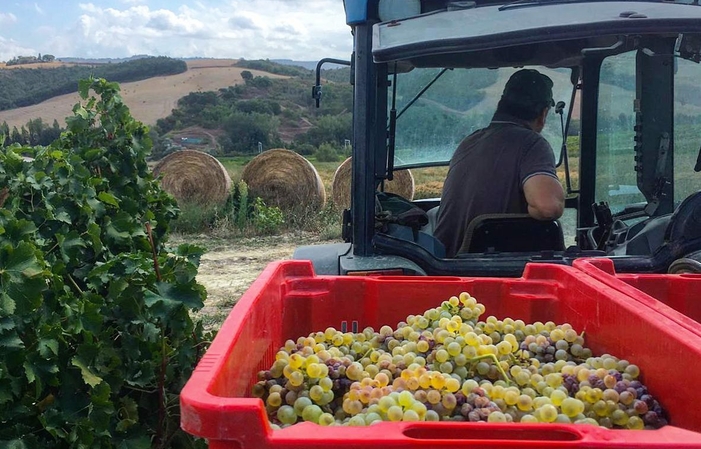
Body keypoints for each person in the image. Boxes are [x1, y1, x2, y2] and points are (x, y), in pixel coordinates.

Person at [433, 69, 565, 258]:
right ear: (543, 114)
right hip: (486, 271)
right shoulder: (532, 143)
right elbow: (548, 207)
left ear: (501, 105)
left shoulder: (468, 142)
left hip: (445, 267)